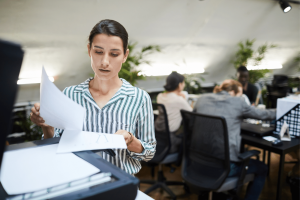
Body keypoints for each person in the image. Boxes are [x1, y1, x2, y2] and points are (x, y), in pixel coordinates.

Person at [30, 19, 156, 175]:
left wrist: (130, 140)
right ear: (89, 50)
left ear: (125, 55)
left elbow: (149, 152)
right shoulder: (70, 94)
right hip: (79, 181)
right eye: (98, 52)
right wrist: (47, 125)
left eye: (114, 54)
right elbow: (56, 146)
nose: (104, 62)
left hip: (120, 184)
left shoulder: (139, 98)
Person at [194, 79, 276, 200]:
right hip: (223, 168)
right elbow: (263, 115)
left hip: (197, 162)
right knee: (262, 168)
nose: (242, 97)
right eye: (241, 94)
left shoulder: (202, 99)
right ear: (232, 92)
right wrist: (282, 109)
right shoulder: (237, 102)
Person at [155, 72, 192, 153]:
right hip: (171, 141)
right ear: (179, 85)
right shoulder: (179, 100)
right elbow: (191, 114)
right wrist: (184, 98)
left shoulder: (160, 96)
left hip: (159, 138)